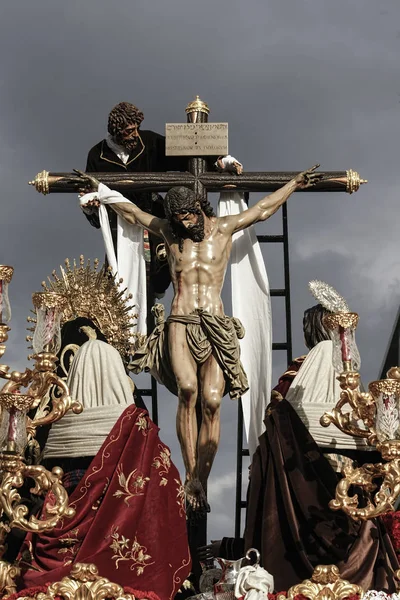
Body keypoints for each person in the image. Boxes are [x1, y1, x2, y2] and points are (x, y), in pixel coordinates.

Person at [77, 165, 323, 516]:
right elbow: (131, 211)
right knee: (188, 390)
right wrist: (101, 188)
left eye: (188, 214)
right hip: (179, 320)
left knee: (211, 400)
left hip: (214, 325)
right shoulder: (168, 232)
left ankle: (199, 481)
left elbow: (264, 208)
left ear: (199, 208)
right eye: (177, 217)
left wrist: (295, 184)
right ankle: (189, 474)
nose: (184, 222)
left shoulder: (222, 230)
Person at [19, 339, 191, 600]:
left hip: (57, 554)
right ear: (118, 374)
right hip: (123, 574)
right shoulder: (137, 430)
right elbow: (167, 488)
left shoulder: (57, 426)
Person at [244, 304, 398, 592]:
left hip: (302, 481)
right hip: (351, 481)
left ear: (309, 330)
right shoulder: (348, 378)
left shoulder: (298, 374)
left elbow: (279, 425)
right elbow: (367, 430)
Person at [82, 101, 187, 298]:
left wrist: (219, 159)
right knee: (118, 279)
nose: (135, 134)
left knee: (163, 266)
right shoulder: (97, 155)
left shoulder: (150, 141)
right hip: (120, 226)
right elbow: (93, 204)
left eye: (137, 128)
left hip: (153, 218)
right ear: (117, 130)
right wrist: (91, 207)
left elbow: (184, 157)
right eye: (130, 130)